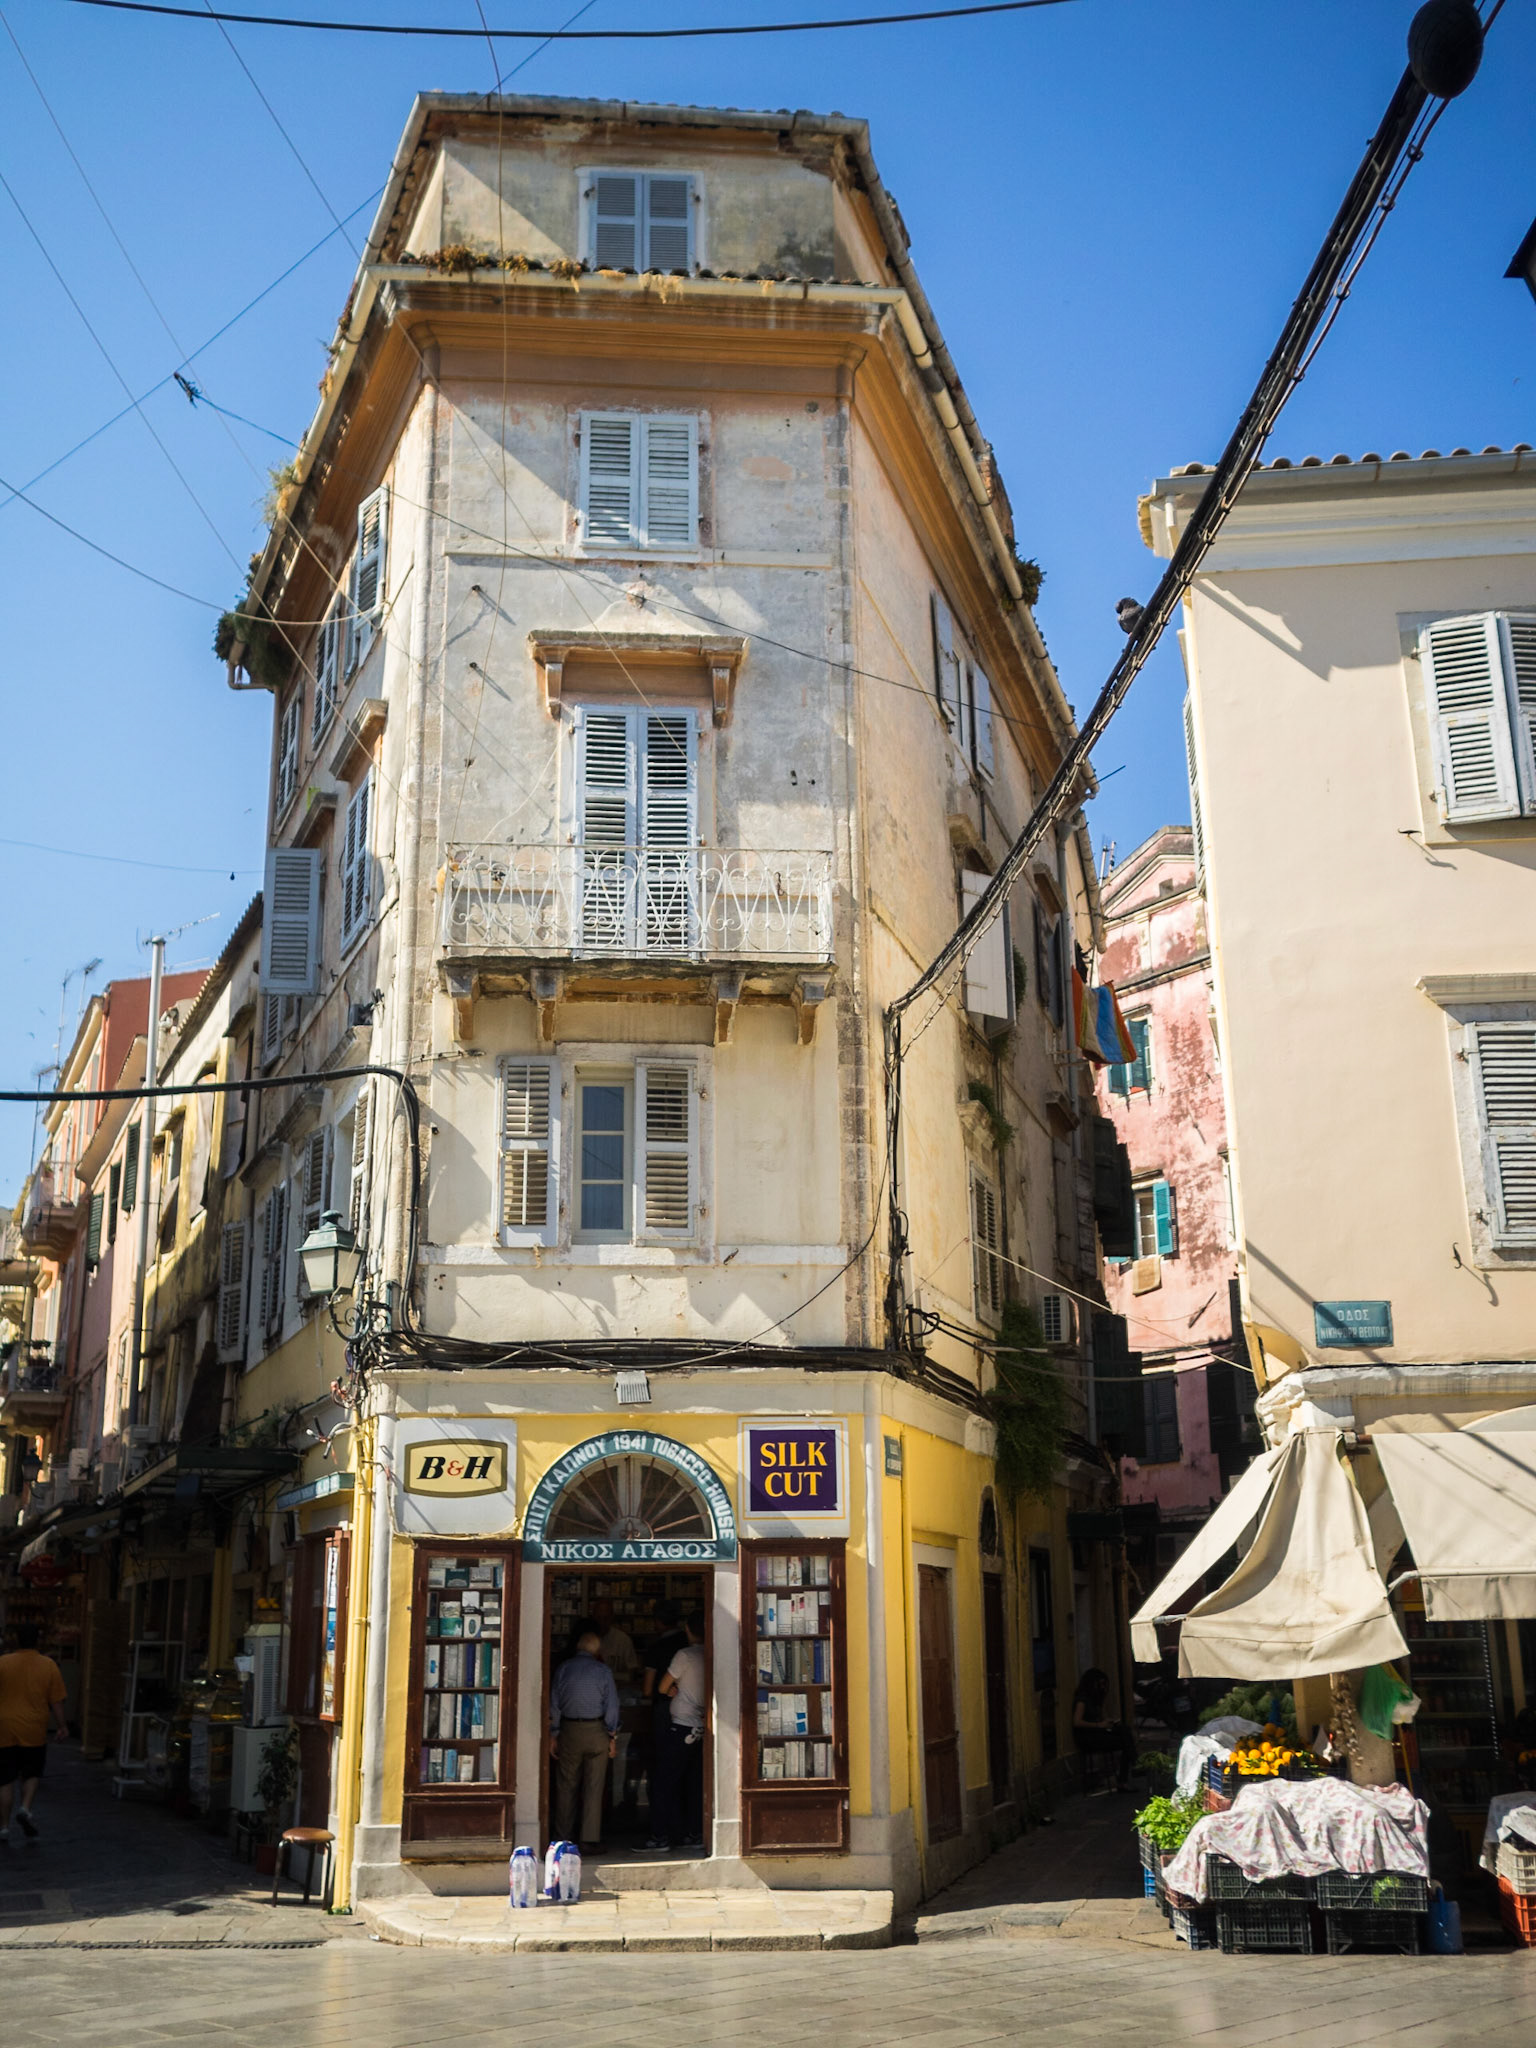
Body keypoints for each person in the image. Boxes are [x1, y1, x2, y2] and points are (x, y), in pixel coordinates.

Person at [548, 1630, 619, 1851]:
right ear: (597, 1650)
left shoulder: (564, 1669)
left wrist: (553, 1733)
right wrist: (612, 1735)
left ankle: (563, 1838)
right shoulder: (603, 1671)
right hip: (597, 1730)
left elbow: (554, 1704)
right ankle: (589, 1839)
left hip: (569, 1729)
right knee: (594, 1787)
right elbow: (612, 1706)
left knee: (566, 1785)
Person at [0, 1624, 68, 1844]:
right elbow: (56, 1700)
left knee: (5, 1779)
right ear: (37, 1641)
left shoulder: (3, 1663)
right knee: (31, 1773)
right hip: (34, 1728)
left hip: (4, 1728)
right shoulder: (48, 1665)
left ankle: (3, 1827)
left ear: (16, 1640)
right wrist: (62, 1725)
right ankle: (25, 1808)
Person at [651, 1613, 706, 1853]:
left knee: (665, 1782)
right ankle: (693, 1833)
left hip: (682, 1725)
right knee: (694, 1783)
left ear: (687, 1629)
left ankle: (660, 1836)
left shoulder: (685, 1655)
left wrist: (674, 1689)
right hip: (703, 1726)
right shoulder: (710, 1653)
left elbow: (663, 1686)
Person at [1072, 1666, 1137, 1791]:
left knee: (1125, 1732)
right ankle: (1130, 1771)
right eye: (1100, 1684)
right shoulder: (1082, 1700)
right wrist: (1098, 1725)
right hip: (1088, 1738)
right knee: (1126, 1742)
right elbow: (1077, 1722)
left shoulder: (1095, 1700)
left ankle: (1131, 1768)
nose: (1102, 1688)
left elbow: (1101, 1718)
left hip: (1098, 1734)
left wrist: (1108, 1722)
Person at [589, 1597, 639, 1689]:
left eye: (606, 1618)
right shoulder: (586, 1639)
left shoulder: (623, 1639)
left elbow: (632, 1669)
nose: (602, 1622)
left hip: (617, 1690)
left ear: (612, 1617)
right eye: (599, 1618)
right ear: (593, 1617)